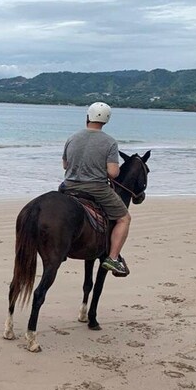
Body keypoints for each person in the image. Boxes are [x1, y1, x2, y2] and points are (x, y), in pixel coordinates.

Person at [61, 102, 130, 275]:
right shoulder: (109, 142)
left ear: (87, 117)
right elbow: (113, 173)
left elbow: (65, 165)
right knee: (124, 218)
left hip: (68, 186)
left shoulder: (72, 137)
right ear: (106, 120)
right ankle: (113, 259)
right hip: (96, 188)